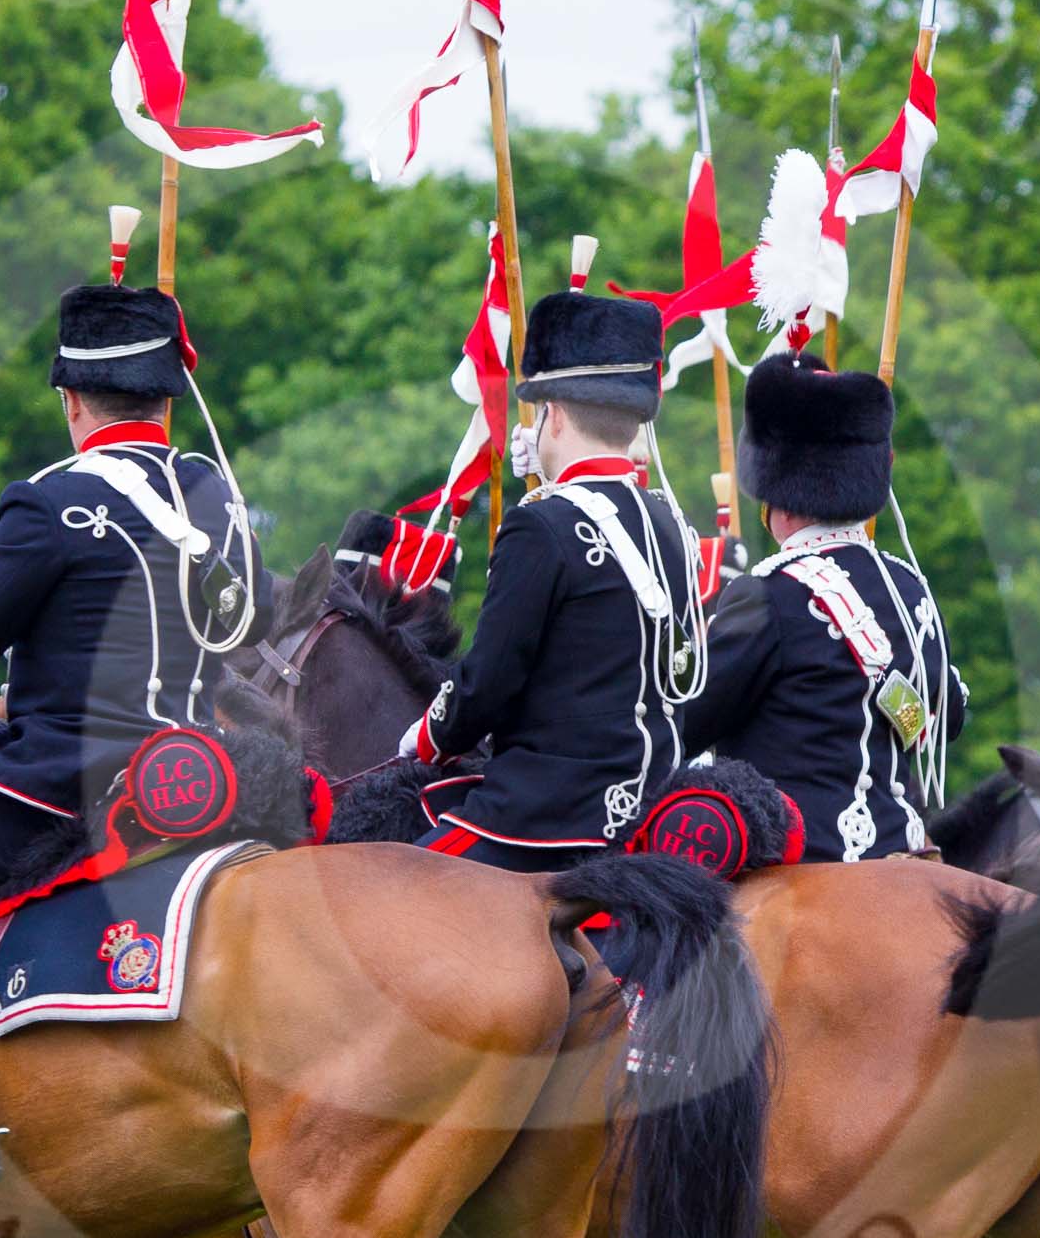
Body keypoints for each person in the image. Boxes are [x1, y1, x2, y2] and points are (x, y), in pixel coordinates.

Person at [0, 278, 261, 1227]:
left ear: (71, 402)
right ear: (165, 396)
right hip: (193, 780)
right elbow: (239, 625)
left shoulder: (50, 503)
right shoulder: (214, 496)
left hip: (64, 780)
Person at [398, 288, 703, 870]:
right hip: (656, 811)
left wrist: (427, 738)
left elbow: (488, 681)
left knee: (385, 892)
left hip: (548, 817)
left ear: (553, 415)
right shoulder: (671, 522)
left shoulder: (541, 525)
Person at [682, 353, 963, 862]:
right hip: (905, 856)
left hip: (797, 864)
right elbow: (949, 719)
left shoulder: (768, 592)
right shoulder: (910, 587)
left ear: (777, 497)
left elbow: (683, 722)